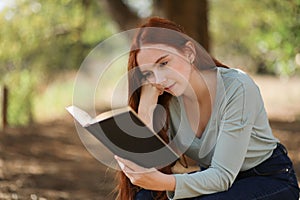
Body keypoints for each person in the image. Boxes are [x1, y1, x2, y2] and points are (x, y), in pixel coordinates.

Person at [114, 17, 299, 200]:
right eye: (148, 73)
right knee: (144, 197)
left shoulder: (237, 87)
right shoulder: (167, 100)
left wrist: (163, 182)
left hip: (266, 178)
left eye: (163, 63)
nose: (159, 79)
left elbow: (223, 176)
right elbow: (146, 163)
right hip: (213, 182)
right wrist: (146, 108)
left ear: (188, 52)